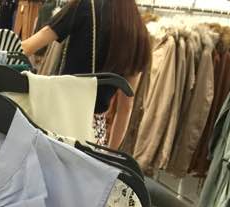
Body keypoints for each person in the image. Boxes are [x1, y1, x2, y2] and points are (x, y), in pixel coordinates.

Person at [21, 0, 151, 149]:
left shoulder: (85, 6)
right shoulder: (139, 32)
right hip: (93, 133)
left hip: (60, 121)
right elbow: (125, 108)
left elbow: (28, 46)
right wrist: (110, 152)